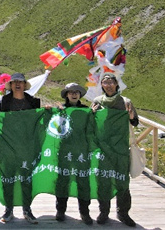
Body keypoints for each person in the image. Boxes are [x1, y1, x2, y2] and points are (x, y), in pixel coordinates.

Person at [91, 73, 138, 227]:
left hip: (121, 148)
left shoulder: (126, 102)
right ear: (102, 85)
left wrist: (130, 114)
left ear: (117, 84)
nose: (108, 85)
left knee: (122, 181)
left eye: (111, 82)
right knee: (103, 180)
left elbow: (135, 122)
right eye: (105, 82)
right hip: (103, 148)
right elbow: (92, 124)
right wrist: (91, 114)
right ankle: (104, 212)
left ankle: (123, 213)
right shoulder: (98, 101)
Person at [0, 72, 41, 223]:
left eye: (20, 82)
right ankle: (8, 210)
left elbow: (38, 121)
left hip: (27, 146)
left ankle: (27, 210)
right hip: (8, 146)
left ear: (24, 85)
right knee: (8, 177)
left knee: (26, 178)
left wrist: (47, 112)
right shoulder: (4, 101)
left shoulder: (33, 101)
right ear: (10, 85)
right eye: (14, 82)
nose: (17, 84)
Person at [55, 83, 94, 225]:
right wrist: (52, 111)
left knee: (83, 181)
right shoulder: (61, 110)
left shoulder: (86, 110)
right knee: (63, 180)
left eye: (76, 92)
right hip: (65, 150)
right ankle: (60, 210)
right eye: (70, 92)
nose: (74, 94)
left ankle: (85, 212)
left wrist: (94, 114)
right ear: (66, 95)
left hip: (81, 150)